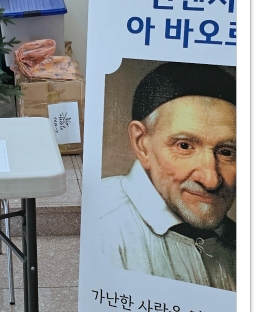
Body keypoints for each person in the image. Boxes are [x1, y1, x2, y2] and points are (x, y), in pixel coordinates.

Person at [99, 63, 235, 291]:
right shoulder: (102, 225)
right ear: (141, 144)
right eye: (184, 146)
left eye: (227, 152)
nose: (211, 180)